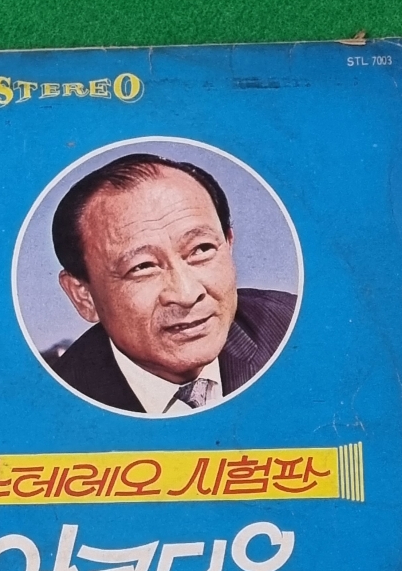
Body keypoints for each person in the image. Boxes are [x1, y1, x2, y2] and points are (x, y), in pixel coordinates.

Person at [49, 153, 296, 414]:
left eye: (201, 249)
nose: (187, 294)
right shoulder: (58, 408)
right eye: (142, 267)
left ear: (228, 245)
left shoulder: (294, 329)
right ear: (84, 296)